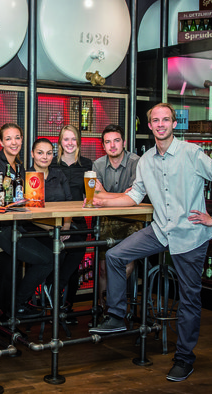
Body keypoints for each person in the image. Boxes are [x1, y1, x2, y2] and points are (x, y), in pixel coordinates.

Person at [87, 103, 212, 383]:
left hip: (191, 234)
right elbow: (133, 197)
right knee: (116, 255)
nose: (160, 124)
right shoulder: (145, 160)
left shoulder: (191, 153)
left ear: (174, 124)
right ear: (150, 126)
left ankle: (184, 359)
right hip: (160, 229)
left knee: (189, 299)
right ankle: (118, 316)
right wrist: (101, 199)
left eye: (165, 120)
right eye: (155, 120)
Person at [28, 138, 85, 310]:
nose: (44, 157)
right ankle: (47, 289)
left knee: (79, 245)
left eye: (48, 153)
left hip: (62, 227)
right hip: (37, 230)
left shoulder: (58, 174)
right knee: (55, 252)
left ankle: (54, 286)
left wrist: (65, 225)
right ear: (32, 154)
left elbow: (69, 202)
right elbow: (30, 213)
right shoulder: (28, 176)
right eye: (40, 152)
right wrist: (55, 230)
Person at [0, 123, 32, 317]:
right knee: (8, 269)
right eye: (9, 138)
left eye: (17, 138)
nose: (14, 142)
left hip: (17, 223)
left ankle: (15, 308)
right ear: (1, 142)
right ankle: (6, 313)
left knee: (16, 267)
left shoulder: (20, 165)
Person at [91, 124, 141, 309]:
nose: (112, 145)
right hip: (106, 217)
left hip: (132, 218)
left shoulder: (136, 162)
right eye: (108, 142)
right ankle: (103, 309)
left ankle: (113, 301)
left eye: (116, 141)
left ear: (124, 143)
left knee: (125, 263)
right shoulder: (98, 164)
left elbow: (136, 197)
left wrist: (105, 193)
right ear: (103, 146)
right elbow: (94, 195)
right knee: (103, 268)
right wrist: (123, 196)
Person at [50, 124, 93, 320]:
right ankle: (52, 304)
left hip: (78, 223)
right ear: (60, 142)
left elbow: (91, 194)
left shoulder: (87, 165)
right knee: (53, 263)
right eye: (66, 139)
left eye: (73, 139)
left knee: (74, 267)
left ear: (79, 142)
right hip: (54, 223)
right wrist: (60, 224)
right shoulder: (51, 164)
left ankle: (66, 307)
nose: (70, 143)